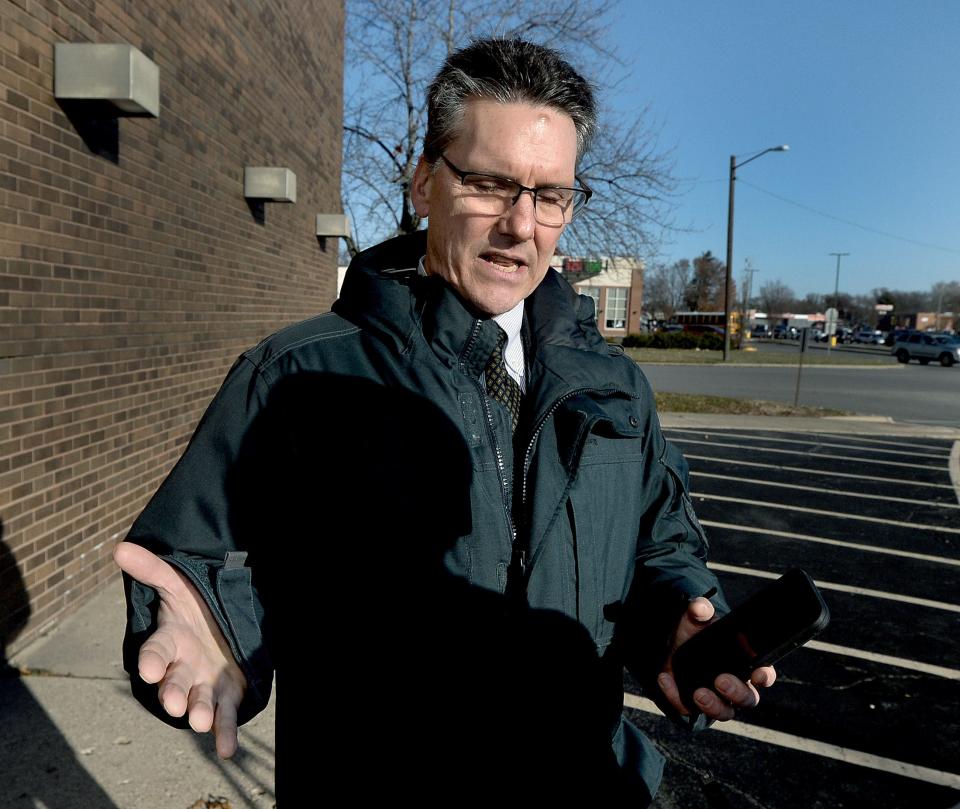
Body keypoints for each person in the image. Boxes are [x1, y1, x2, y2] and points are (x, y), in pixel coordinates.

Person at [115, 37, 774, 803]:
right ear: (426, 182)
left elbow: (660, 542)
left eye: (551, 195)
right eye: (491, 185)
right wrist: (216, 629)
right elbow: (199, 556)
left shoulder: (616, 386)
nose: (522, 225)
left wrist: (679, 625)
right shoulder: (297, 375)